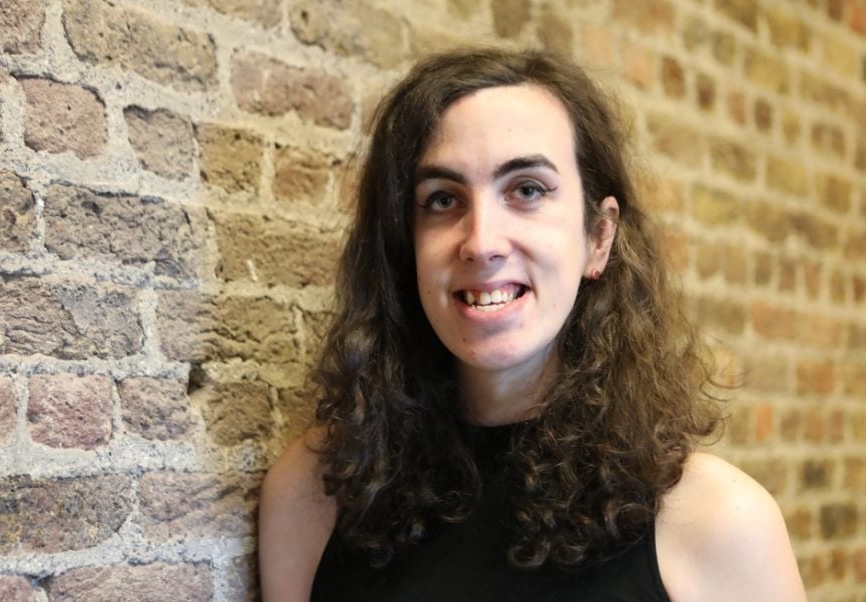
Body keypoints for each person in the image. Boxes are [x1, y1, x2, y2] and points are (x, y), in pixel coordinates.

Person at [259, 47, 806, 601]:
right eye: (442, 199)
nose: (481, 243)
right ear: (406, 247)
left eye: (527, 190)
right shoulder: (312, 498)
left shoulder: (718, 522)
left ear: (598, 238)